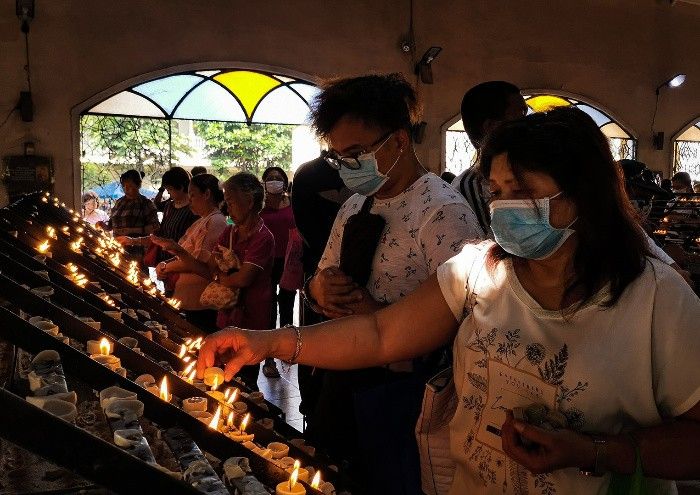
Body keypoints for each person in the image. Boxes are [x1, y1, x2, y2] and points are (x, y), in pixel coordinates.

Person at [197, 107, 700, 495]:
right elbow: (381, 333)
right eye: (497, 189)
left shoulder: (654, 297)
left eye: (521, 189)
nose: (504, 206)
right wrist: (265, 342)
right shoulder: (478, 270)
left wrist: (594, 450)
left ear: (581, 197)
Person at [302, 73, 483, 494]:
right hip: (343, 375)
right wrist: (318, 289)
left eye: (357, 153)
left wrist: (378, 315)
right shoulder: (355, 204)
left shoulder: (442, 213)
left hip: (401, 393)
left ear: (399, 141)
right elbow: (322, 275)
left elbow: (467, 324)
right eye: (339, 157)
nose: (348, 167)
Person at [155, 172, 274, 389]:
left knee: (245, 378)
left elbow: (243, 278)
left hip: (251, 321)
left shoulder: (263, 237)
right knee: (225, 375)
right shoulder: (229, 232)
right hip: (226, 316)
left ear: (249, 202)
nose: (227, 208)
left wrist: (220, 277)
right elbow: (207, 269)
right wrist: (179, 252)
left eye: (230, 201)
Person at [291, 154, 352, 423]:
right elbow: (310, 232)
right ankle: (312, 408)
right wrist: (323, 278)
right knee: (315, 344)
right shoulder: (308, 175)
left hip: (355, 281)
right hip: (320, 275)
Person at [152, 174, 227, 331]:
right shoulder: (201, 221)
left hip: (199, 302)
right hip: (187, 300)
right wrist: (166, 263)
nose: (190, 199)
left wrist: (166, 268)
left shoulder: (216, 221)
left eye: (193, 195)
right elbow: (183, 253)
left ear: (207, 194)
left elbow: (198, 261)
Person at [452, 81, 528, 236]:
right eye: (521, 115)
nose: (527, 124)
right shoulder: (470, 187)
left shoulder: (528, 172)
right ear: (491, 126)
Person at [118, 167, 199, 280]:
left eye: (170, 190)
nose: (168, 194)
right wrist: (132, 240)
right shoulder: (169, 207)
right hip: (164, 265)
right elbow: (160, 236)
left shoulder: (194, 211)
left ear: (181, 187)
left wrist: (133, 236)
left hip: (183, 266)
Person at [259, 166, 296, 379]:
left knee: (287, 306)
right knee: (269, 308)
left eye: (279, 178)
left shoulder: (293, 203)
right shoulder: (260, 207)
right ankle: (269, 358)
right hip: (267, 262)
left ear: (285, 181)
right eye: (270, 178)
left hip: (289, 262)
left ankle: (288, 348)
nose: (275, 181)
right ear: (264, 183)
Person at [96, 169, 159, 261]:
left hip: (137, 252)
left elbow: (155, 228)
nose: (126, 189)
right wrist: (103, 226)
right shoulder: (119, 202)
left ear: (138, 185)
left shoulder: (146, 204)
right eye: (124, 186)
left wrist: (131, 230)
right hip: (117, 249)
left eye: (130, 186)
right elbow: (111, 225)